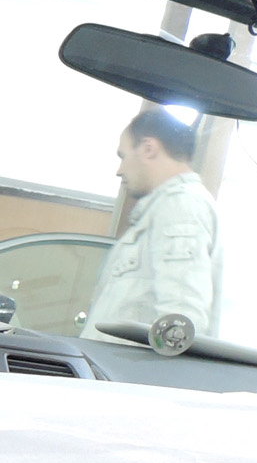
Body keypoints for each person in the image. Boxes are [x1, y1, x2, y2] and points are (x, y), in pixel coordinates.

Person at [80, 109, 224, 342]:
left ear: (148, 148)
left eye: (123, 156)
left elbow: (181, 320)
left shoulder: (180, 205)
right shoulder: (167, 208)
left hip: (125, 366)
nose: (119, 170)